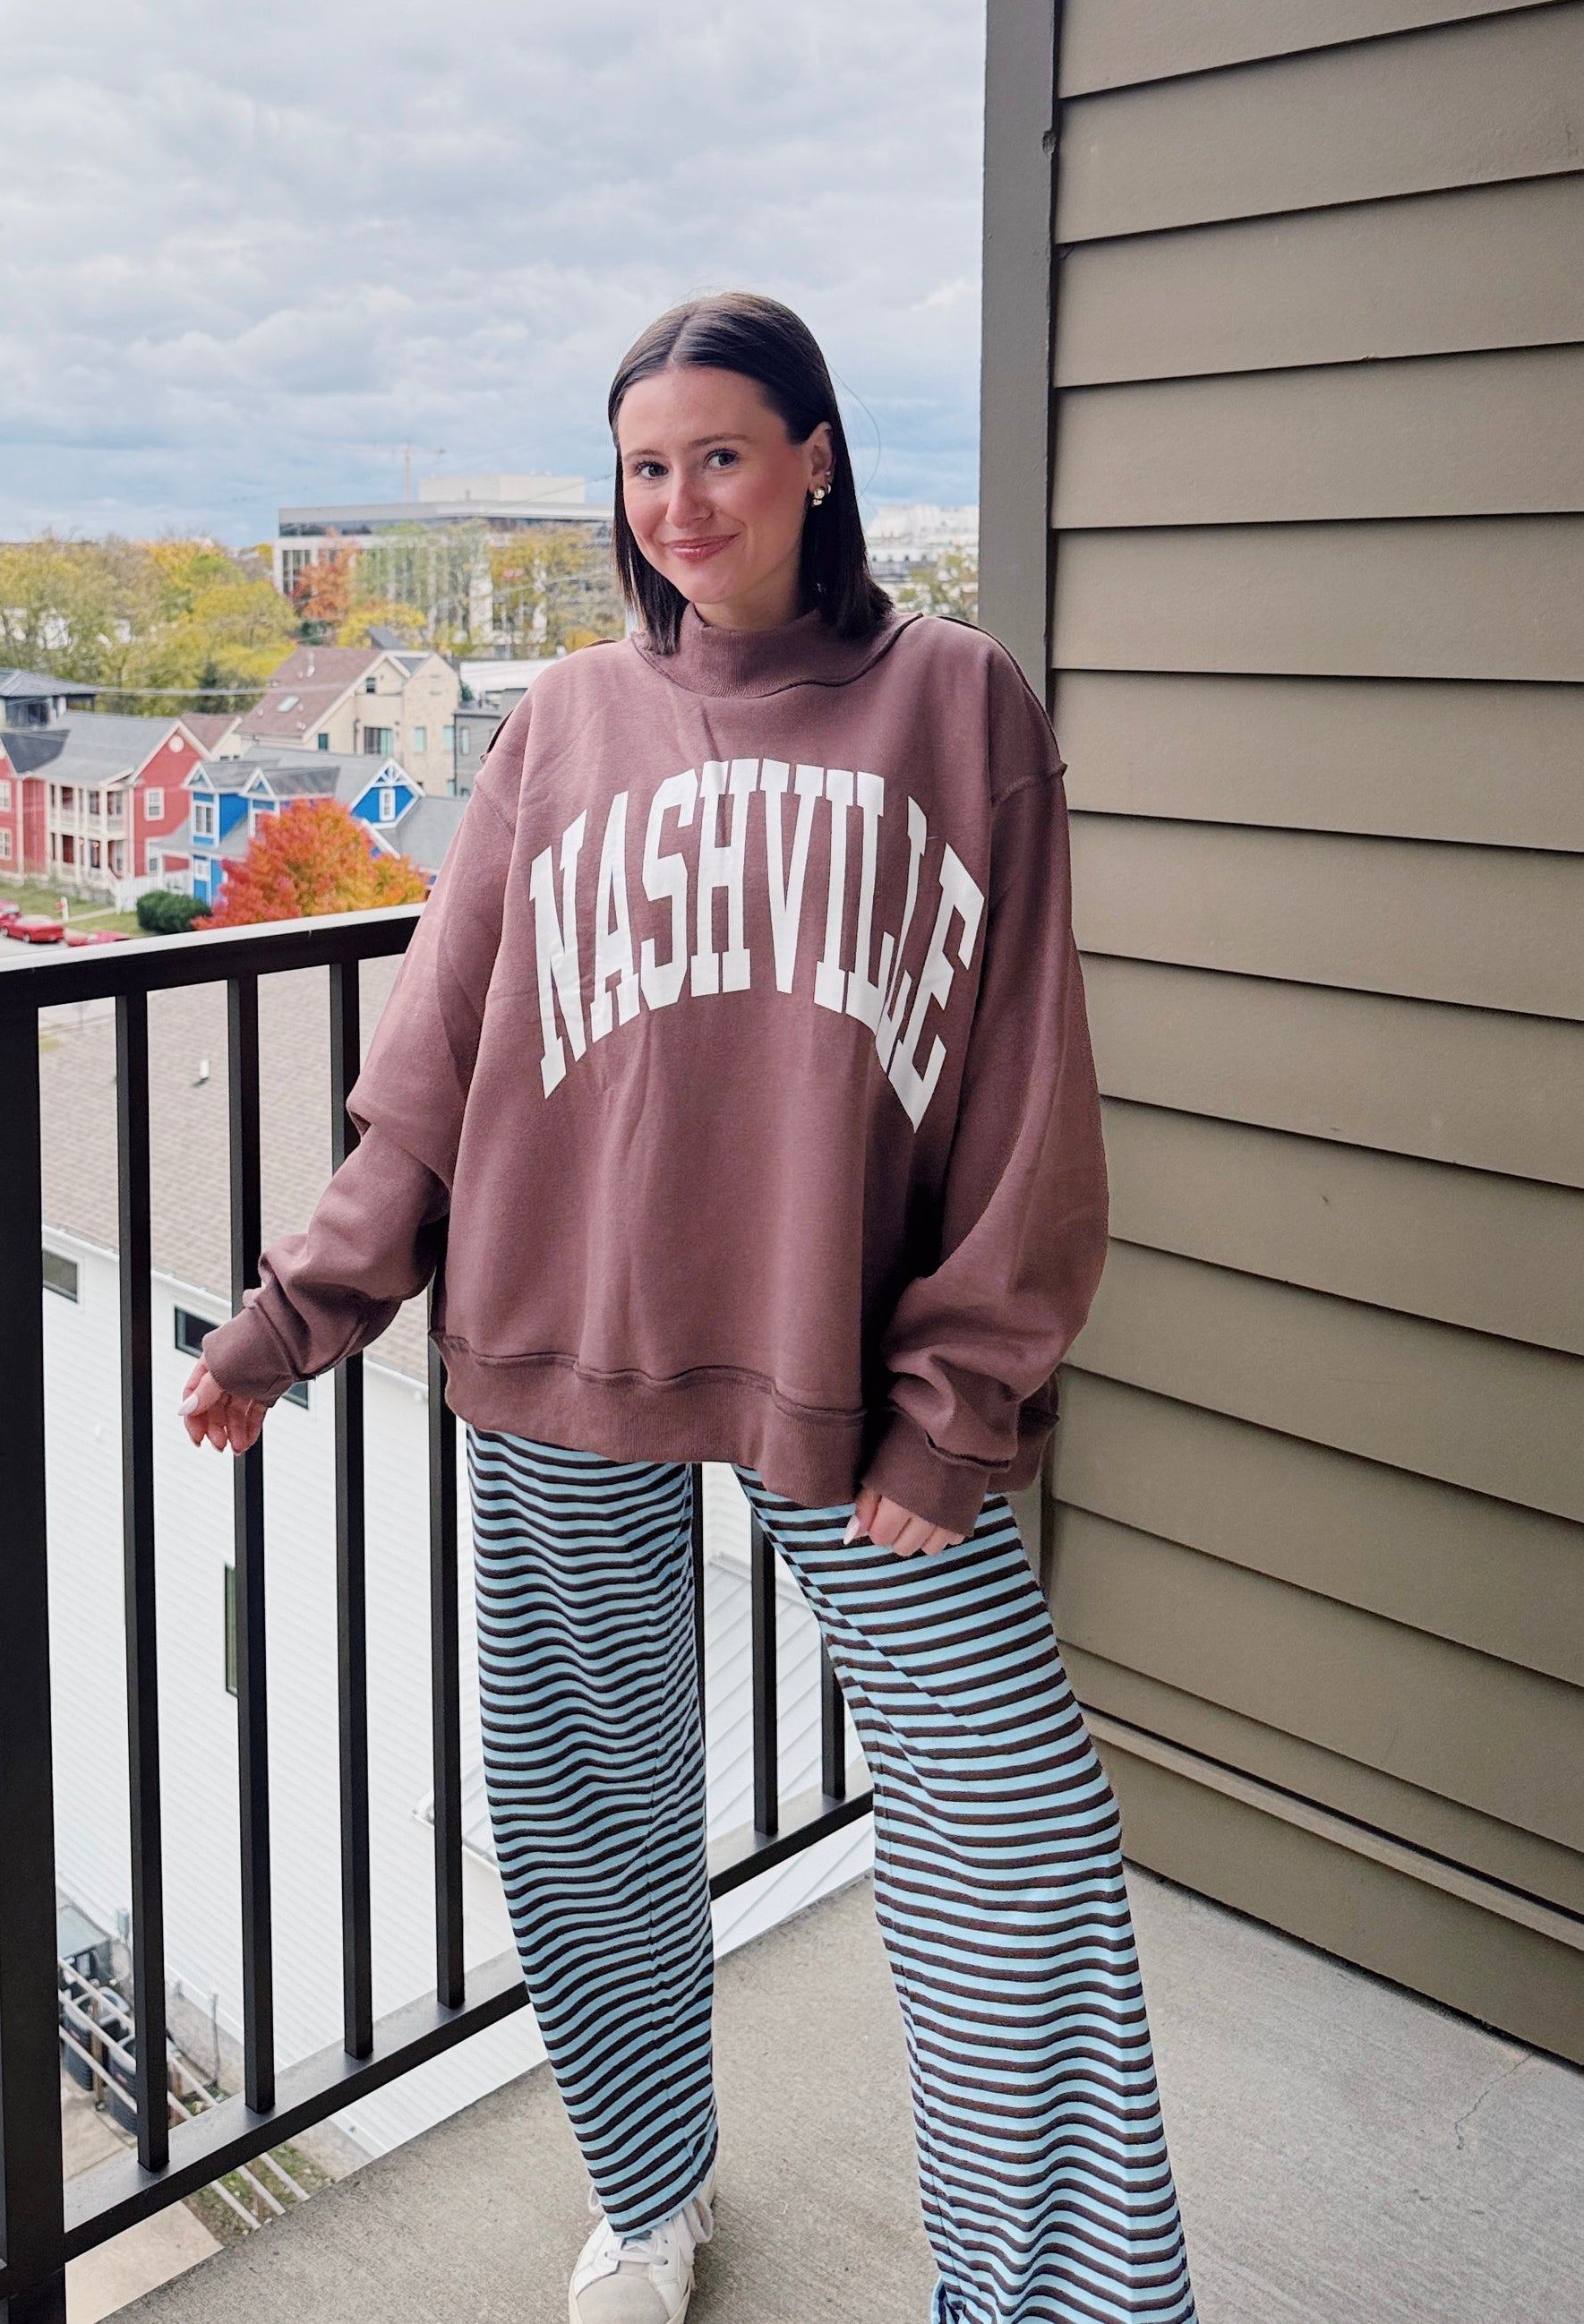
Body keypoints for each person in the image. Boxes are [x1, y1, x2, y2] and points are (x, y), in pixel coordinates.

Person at [182, 292, 1195, 2324]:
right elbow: (438, 1062)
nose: (679, 503)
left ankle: (1051, 2299)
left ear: (815, 458)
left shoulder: (958, 702)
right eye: (645, 468)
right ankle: (647, 2199)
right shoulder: (563, 721)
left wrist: (957, 1400)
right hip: (559, 1342)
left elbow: (1026, 1089)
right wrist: (297, 1314)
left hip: (855, 1373)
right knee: (589, 1806)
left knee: (1014, 1846)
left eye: (719, 455)